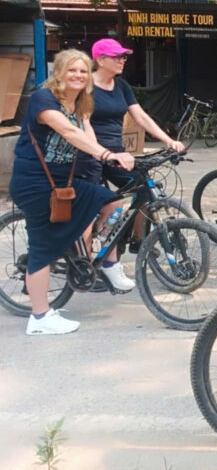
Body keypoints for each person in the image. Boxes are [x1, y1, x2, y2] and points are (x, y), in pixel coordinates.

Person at [9, 49, 135, 335]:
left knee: (114, 204)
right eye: (72, 70)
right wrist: (104, 154)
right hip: (35, 183)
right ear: (59, 74)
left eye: (82, 71)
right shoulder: (44, 100)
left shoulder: (82, 101)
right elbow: (68, 132)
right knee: (42, 248)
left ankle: (101, 260)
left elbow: (86, 130)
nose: (78, 75)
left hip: (64, 181)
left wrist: (110, 156)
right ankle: (40, 318)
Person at [81, 38, 185, 291]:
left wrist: (168, 140)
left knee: (147, 188)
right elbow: (84, 124)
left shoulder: (122, 86)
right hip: (90, 154)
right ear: (100, 60)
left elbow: (140, 116)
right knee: (92, 210)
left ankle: (138, 240)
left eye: (124, 56)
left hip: (118, 154)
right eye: (116, 56)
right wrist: (101, 153)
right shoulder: (85, 87)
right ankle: (85, 266)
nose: (122, 60)